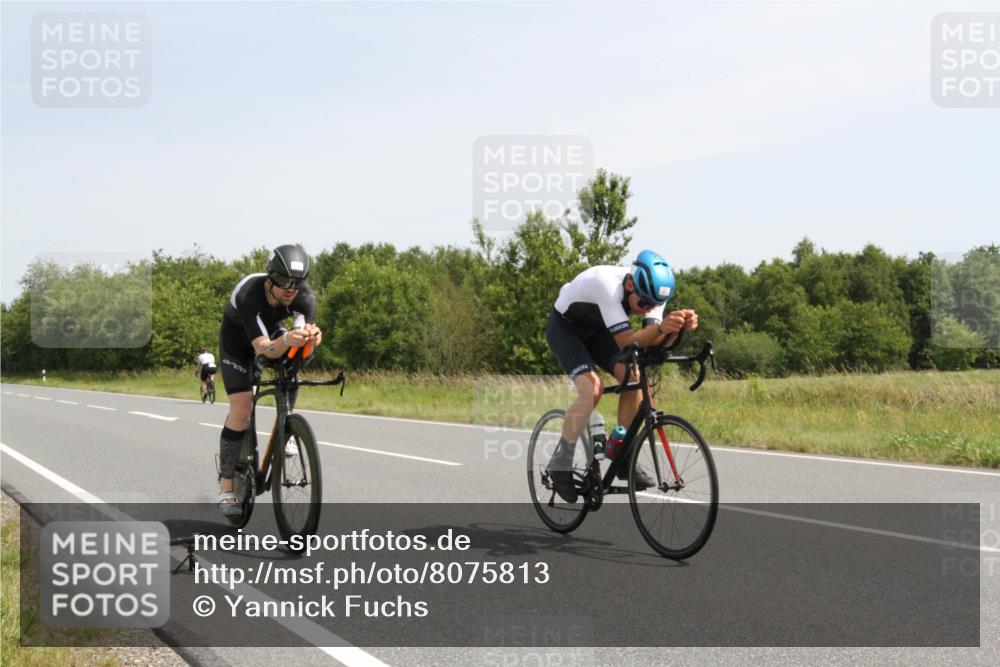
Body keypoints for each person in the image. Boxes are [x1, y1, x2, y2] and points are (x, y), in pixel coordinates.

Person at [545, 249, 698, 502]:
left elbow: (651, 340)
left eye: (654, 305)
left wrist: (676, 329)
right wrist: (662, 328)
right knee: (592, 388)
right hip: (567, 330)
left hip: (600, 331)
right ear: (629, 285)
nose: (647, 309)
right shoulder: (607, 285)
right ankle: (560, 460)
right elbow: (628, 341)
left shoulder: (650, 294)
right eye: (643, 304)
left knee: (633, 376)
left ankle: (621, 452)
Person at [215, 244, 323, 515]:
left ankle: (287, 427)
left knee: (295, 362)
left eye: (297, 283)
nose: (291, 289)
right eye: (284, 281)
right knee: (241, 409)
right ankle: (226, 486)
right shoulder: (250, 293)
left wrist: (310, 339)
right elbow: (264, 346)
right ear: (270, 278)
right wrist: (286, 339)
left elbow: (297, 339)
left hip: (272, 335)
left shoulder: (304, 297)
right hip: (238, 345)